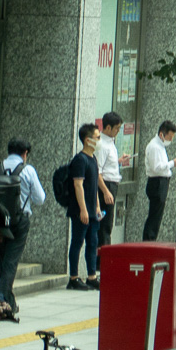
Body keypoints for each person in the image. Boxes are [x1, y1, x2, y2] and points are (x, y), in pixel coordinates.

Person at [0, 139, 44, 321]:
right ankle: (3, 300)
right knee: (11, 261)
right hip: (19, 221)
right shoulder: (28, 170)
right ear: (25, 153)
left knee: (3, 260)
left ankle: (7, 299)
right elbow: (40, 198)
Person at [65, 123, 106, 290]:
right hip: (80, 210)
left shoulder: (93, 159)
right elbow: (78, 185)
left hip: (92, 210)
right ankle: (73, 278)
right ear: (88, 140)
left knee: (92, 242)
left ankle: (91, 276)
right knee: (77, 242)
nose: (99, 140)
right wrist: (83, 209)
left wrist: (96, 205)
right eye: (97, 137)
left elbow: (94, 184)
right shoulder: (80, 160)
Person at [141, 121, 176, 242]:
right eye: (169, 137)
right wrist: (172, 163)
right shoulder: (154, 147)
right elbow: (156, 167)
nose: (170, 140)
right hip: (156, 182)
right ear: (161, 134)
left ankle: (151, 239)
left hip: (161, 182)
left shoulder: (160, 146)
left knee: (157, 215)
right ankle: (149, 240)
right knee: (154, 215)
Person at [95, 112, 129, 249]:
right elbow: (98, 171)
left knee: (108, 223)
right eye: (116, 128)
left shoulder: (110, 143)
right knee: (105, 225)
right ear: (108, 127)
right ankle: (101, 260)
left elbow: (107, 165)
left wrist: (119, 161)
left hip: (111, 183)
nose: (118, 131)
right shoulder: (102, 145)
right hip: (106, 185)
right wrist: (105, 191)